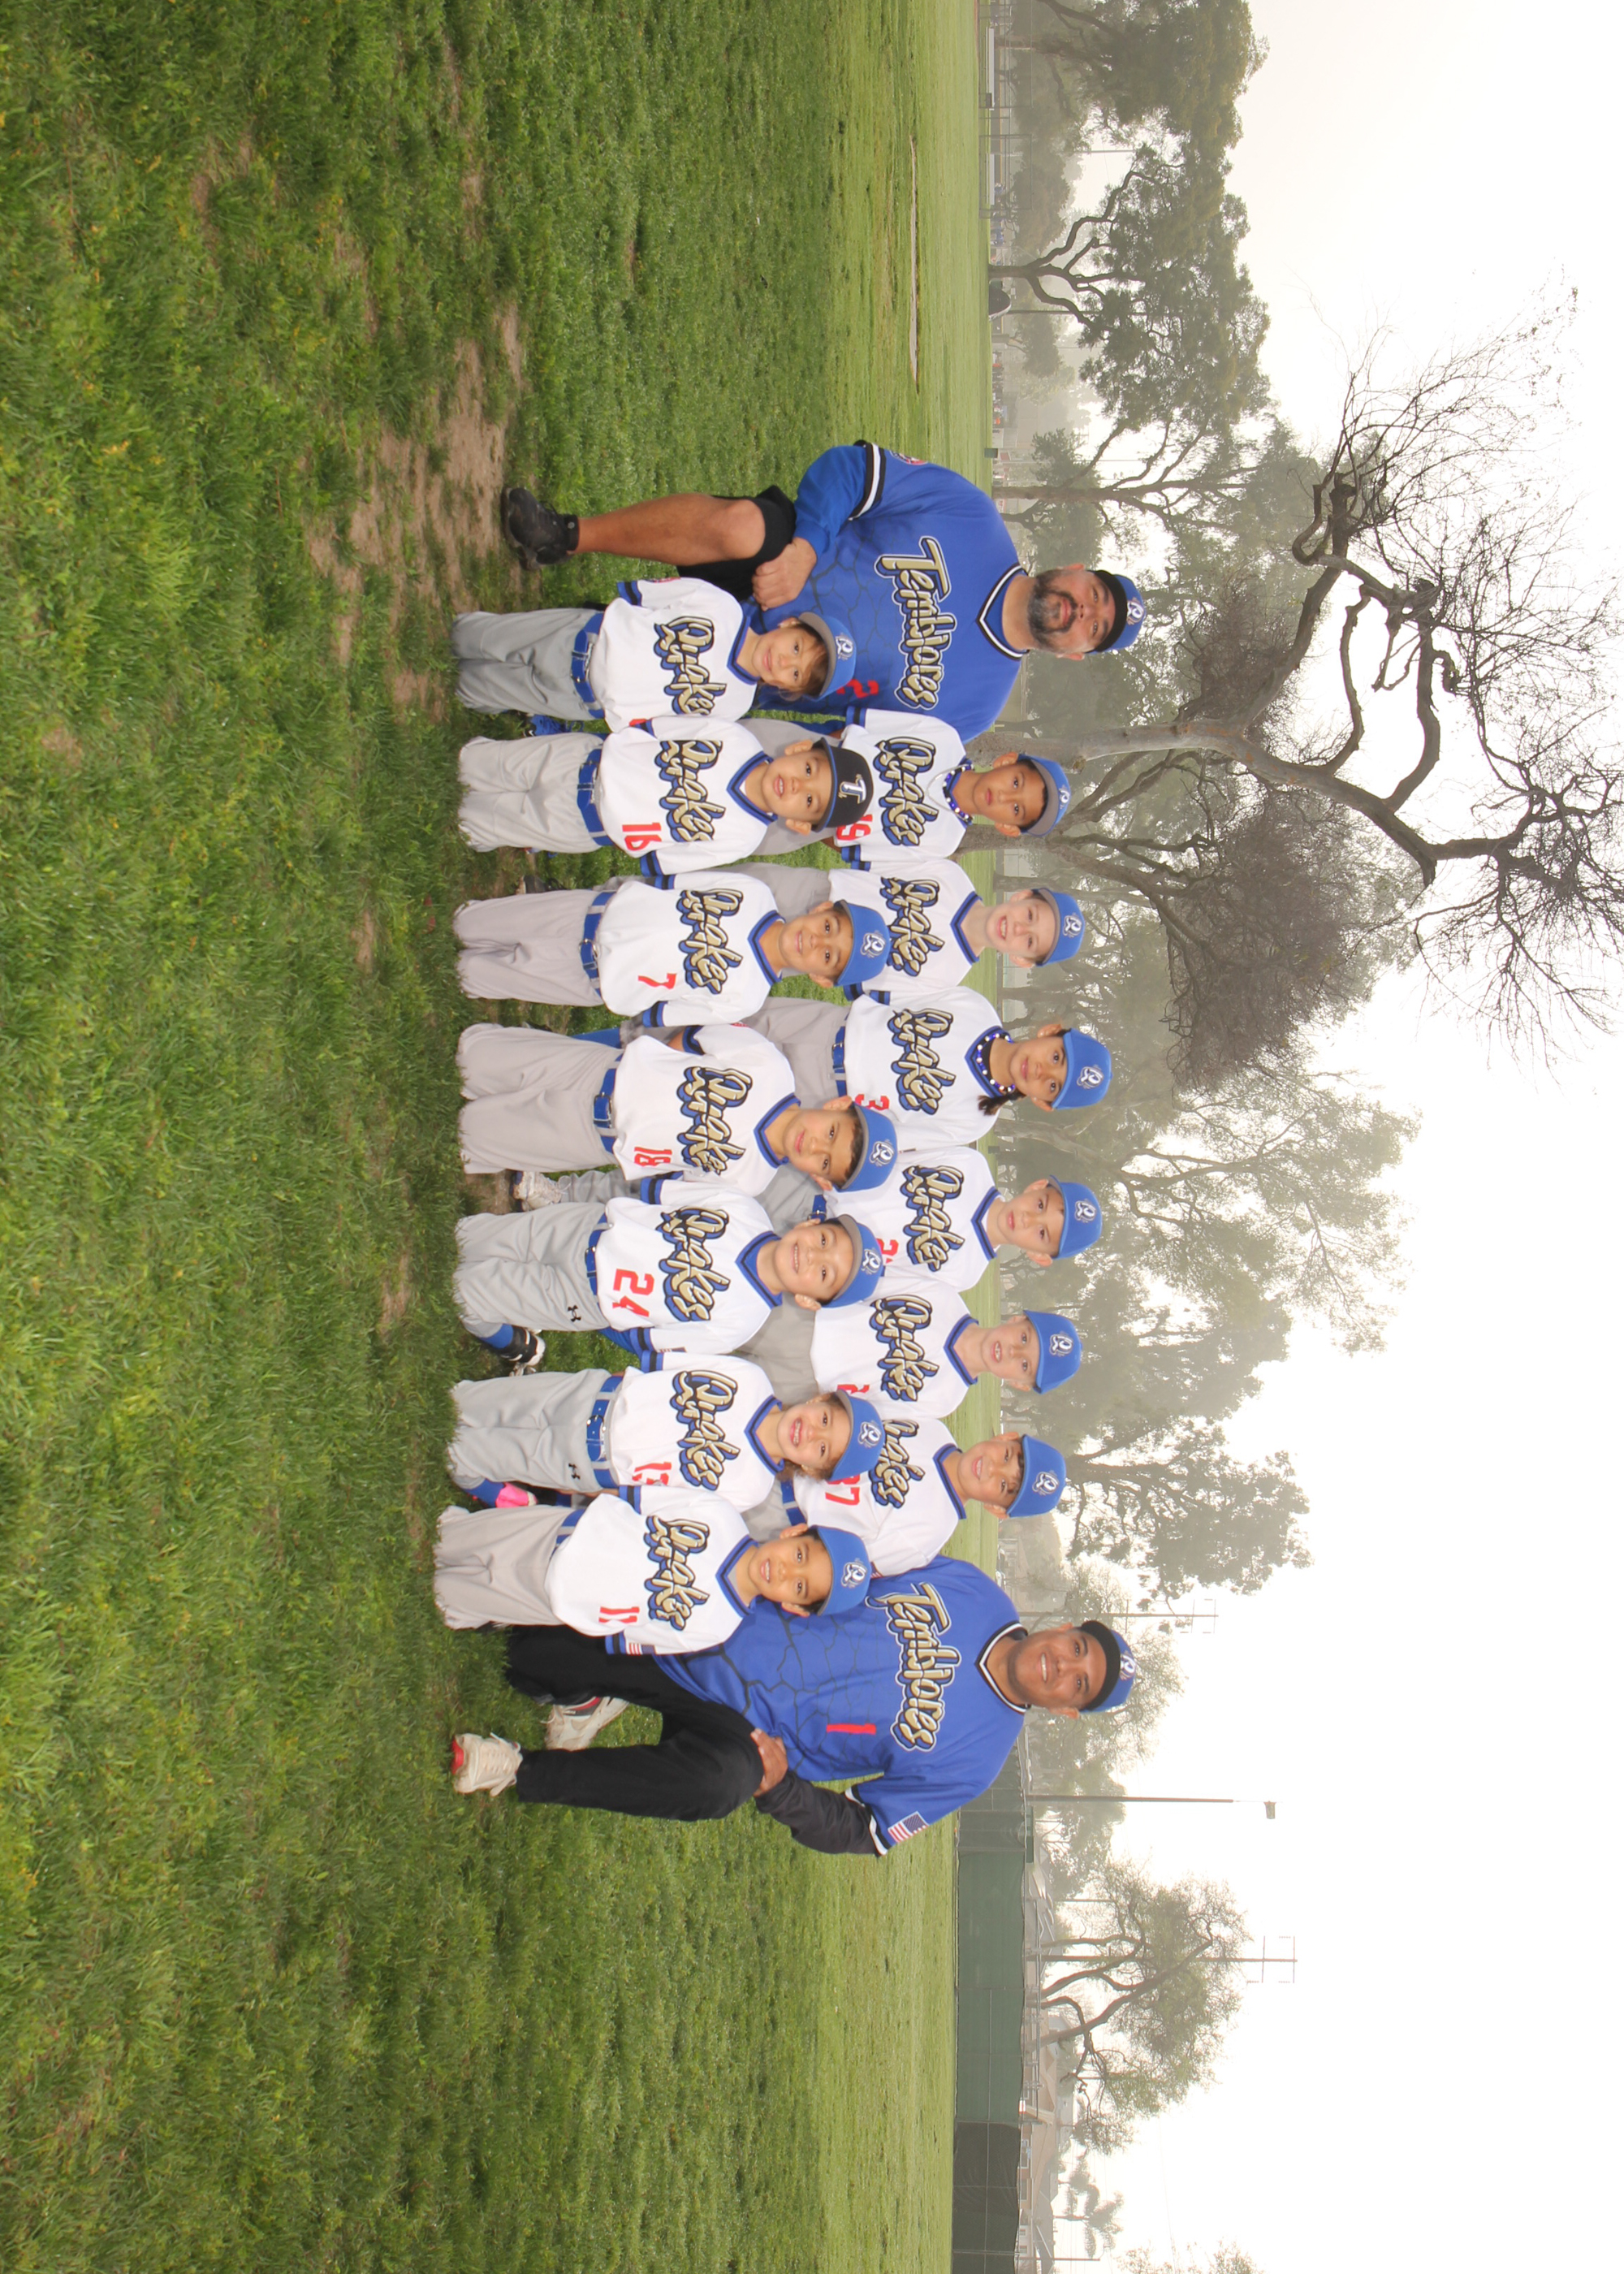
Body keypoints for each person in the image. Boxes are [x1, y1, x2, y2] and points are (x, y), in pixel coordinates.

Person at [450, 1561, 1137, 1853]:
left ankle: (519, 1770)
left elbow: (866, 1831)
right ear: (1064, 1628)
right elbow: (860, 1559)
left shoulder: (976, 1763)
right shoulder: (974, 1590)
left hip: (749, 1733)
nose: (1064, 1667)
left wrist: (781, 1790)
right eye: (1078, 1648)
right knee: (529, 1657)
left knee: (720, 1785)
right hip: (724, 1625)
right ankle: (588, 1689)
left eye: (1079, 1684)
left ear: (1067, 1711)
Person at [498, 444, 1148, 737]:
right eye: (1095, 593)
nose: (1082, 610)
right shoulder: (973, 517)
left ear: (1075, 654)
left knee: (661, 677)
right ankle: (567, 536)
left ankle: (574, 702)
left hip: (766, 672)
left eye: (1095, 627)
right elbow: (850, 469)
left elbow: (852, 741)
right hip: (773, 567)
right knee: (745, 524)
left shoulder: (976, 709)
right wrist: (805, 548)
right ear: (1075, 569)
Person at [455, 1022, 899, 1202]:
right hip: (600, 1070)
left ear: (821, 1180)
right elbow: (693, 1039)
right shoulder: (771, 1067)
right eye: (832, 1133)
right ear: (838, 1105)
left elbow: (671, 1183)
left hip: (595, 1138)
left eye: (825, 1162)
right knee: (470, 1058)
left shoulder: (749, 1183)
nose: (816, 1145)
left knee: (469, 1137)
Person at [454, 1194, 885, 1372]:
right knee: (467, 1237)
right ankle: (514, 1341)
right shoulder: (744, 1209)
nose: (811, 1256)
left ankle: (508, 1338)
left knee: (464, 1292)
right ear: (811, 1223)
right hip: (585, 1226)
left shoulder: (740, 1324)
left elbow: (649, 1342)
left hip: (584, 1298)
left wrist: (603, 1316)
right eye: (824, 1241)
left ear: (809, 1300)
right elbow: (660, 1196)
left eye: (824, 1274)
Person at [434, 1481, 872, 1651]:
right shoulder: (720, 1514)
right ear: (794, 1534)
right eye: (801, 1557)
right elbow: (636, 1497)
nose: (786, 1573)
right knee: (446, 1541)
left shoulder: (718, 1629)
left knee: (446, 1599)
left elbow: (634, 1638)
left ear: (793, 1608)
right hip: (564, 1533)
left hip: (561, 1601)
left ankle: (465, 1605)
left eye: (800, 1588)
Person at [451, 870, 894, 1022]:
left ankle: (462, 975)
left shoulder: (747, 998)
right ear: (822, 908)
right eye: (829, 926)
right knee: (469, 923)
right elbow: (674, 884)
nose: (816, 940)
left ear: (821, 978)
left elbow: (664, 1012)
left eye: (828, 956)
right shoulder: (754, 893)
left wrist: (626, 986)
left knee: (472, 976)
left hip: (591, 979)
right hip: (590, 911)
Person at [445, 1360, 885, 1511]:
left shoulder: (750, 1489)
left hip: (595, 1463)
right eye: (824, 1419)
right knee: (470, 1402)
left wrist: (598, 1489)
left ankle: (482, 1480)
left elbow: (660, 1500)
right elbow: (667, 1366)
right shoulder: (751, 1379)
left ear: (811, 1469)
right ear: (817, 1399)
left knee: (476, 1451)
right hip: (595, 1396)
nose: (811, 1433)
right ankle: (461, 1429)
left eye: (822, 1449)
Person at [455, 720, 875, 871]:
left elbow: (667, 859)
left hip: (588, 824)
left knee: (476, 824)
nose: (798, 786)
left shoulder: (743, 838)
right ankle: (463, 767)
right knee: (476, 762)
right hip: (584, 758)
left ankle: (469, 824)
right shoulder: (736, 738)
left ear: (799, 824)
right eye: (809, 770)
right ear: (799, 749)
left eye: (809, 802)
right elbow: (660, 729)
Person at [450, 578, 852, 730]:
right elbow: (643, 596)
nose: (783, 662)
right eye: (796, 647)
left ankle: (454, 691)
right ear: (789, 624)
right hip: (583, 636)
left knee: (477, 689)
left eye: (795, 674)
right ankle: (447, 638)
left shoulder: (735, 706)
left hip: (588, 700)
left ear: (787, 689)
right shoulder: (722, 606)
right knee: (478, 636)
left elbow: (666, 728)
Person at [744, 984, 1112, 1146]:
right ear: (1049, 1032)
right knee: (729, 1024)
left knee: (738, 1093)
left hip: (823, 1098)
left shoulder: (975, 1121)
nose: (1043, 1071)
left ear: (1043, 1103)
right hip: (826, 1025)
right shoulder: (976, 1007)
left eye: (1052, 1086)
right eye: (1056, 1057)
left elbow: (890, 1139)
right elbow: (892, 995)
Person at [739, 856, 1086, 1002]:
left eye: (1030, 941)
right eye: (1030, 914)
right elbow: (875, 861)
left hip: (813, 956)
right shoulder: (950, 876)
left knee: (739, 966)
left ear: (1022, 960)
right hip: (818, 892)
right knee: (732, 891)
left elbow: (867, 991)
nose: (1018, 928)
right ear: (1022, 896)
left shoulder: (946, 979)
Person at [761, 1284, 1083, 1417]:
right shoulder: (944, 1296)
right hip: (807, 1320)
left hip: (806, 1387)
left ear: (1019, 1384)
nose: (1013, 1351)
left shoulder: (945, 1400)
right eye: (1024, 1338)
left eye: (1025, 1366)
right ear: (1017, 1319)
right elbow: (867, 1285)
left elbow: (868, 1412)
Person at [797, 1421, 1069, 1575]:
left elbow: (838, 1568)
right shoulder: (933, 1428)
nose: (991, 1469)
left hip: (792, 1513)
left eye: (1003, 1486)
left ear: (997, 1510)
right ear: (1005, 1437)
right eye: (1007, 1456)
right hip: (795, 1447)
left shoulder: (928, 1535)